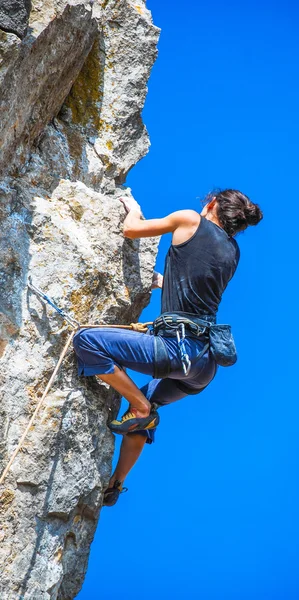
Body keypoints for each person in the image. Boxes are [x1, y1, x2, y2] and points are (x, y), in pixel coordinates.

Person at [72, 189, 263, 506]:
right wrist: (162, 281)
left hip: (176, 349)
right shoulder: (233, 251)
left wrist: (133, 208)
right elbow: (198, 283)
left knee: (87, 340)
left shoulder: (189, 218)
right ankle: (116, 484)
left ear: (211, 204)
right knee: (150, 401)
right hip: (204, 364)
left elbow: (131, 230)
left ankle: (140, 407)